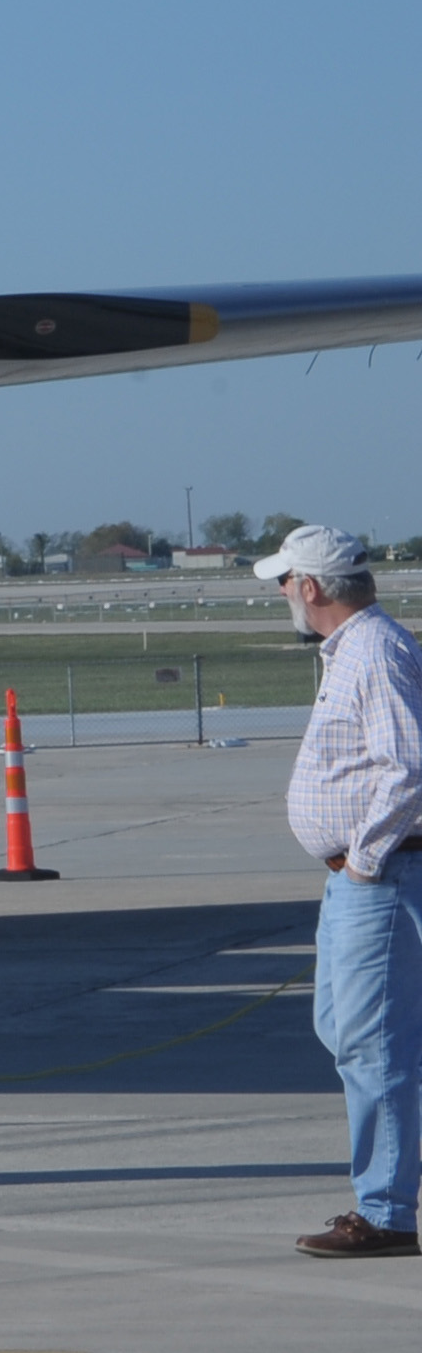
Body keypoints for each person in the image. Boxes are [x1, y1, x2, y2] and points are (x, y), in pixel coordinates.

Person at [260, 525, 422, 1260]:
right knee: (344, 1031)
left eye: (285, 582)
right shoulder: (350, 650)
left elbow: (408, 765)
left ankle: (386, 1213)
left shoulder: (374, 651)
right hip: (353, 879)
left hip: (376, 877)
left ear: (312, 587)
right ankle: (393, 1187)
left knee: (372, 1045)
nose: (283, 594)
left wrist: (363, 861)